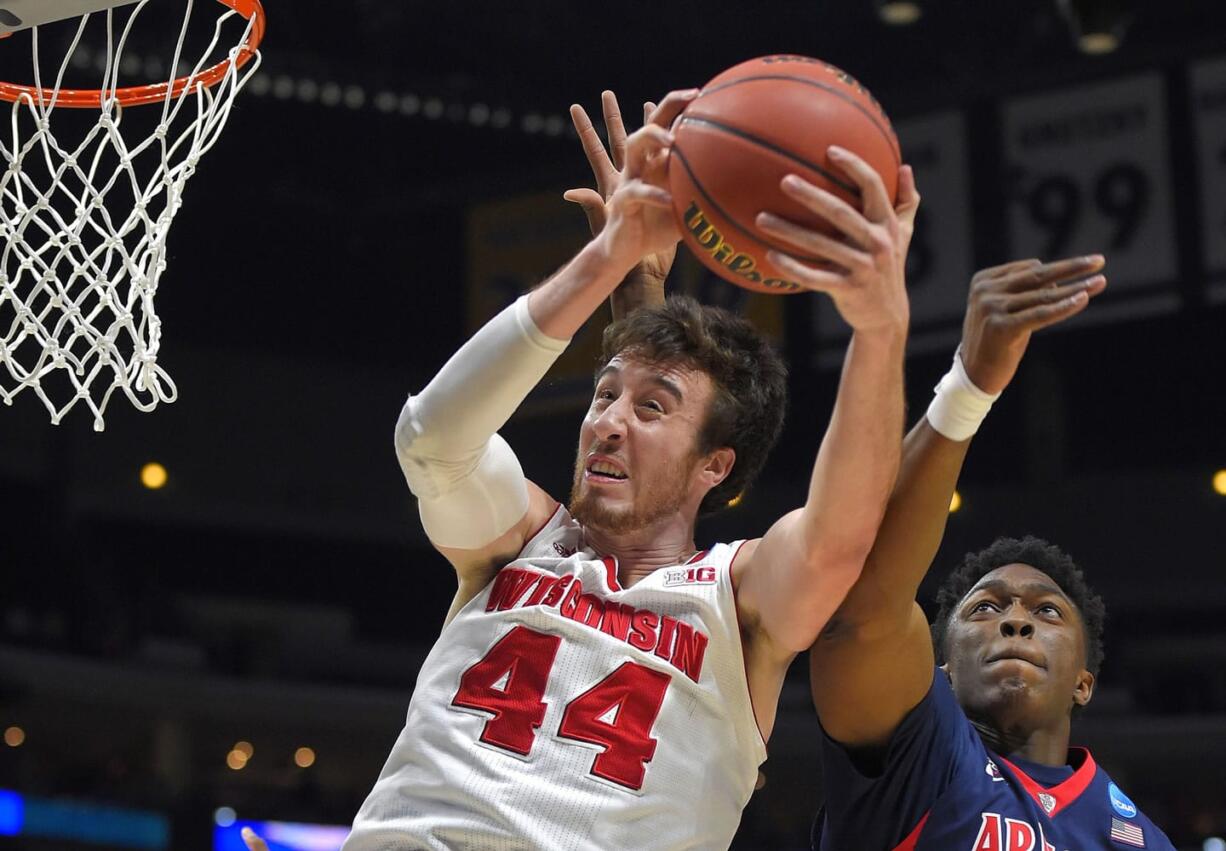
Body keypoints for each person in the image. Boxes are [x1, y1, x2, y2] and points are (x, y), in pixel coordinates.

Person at [330, 85, 917, 851]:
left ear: (717, 466)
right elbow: (431, 439)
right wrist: (607, 258)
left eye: (650, 409)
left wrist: (880, 330)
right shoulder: (517, 539)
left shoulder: (737, 601)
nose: (605, 422)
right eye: (603, 395)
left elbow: (838, 541)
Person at [808, 256, 1177, 849]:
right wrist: (967, 389)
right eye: (985, 608)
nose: (1015, 620)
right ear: (943, 670)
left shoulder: (1141, 838)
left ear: (1085, 683)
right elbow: (858, 605)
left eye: (1047, 612)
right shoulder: (921, 750)